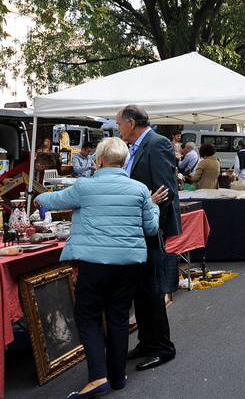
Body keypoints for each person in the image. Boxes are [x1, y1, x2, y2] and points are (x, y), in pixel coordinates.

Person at [35, 137, 160, 398]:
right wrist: (154, 207)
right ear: (124, 161)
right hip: (129, 263)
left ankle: (97, 378)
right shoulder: (139, 189)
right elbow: (150, 228)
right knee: (117, 317)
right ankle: (117, 376)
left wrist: (39, 196)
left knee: (87, 316)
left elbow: (54, 200)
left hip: (95, 262)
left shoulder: (85, 186)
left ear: (99, 160)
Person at [116, 105, 181, 372]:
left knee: (152, 290)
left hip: (150, 230)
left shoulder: (158, 143)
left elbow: (165, 191)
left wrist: (152, 225)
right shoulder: (137, 147)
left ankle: (162, 347)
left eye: (119, 123)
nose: (117, 128)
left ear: (131, 123)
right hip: (139, 229)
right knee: (141, 290)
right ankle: (146, 341)